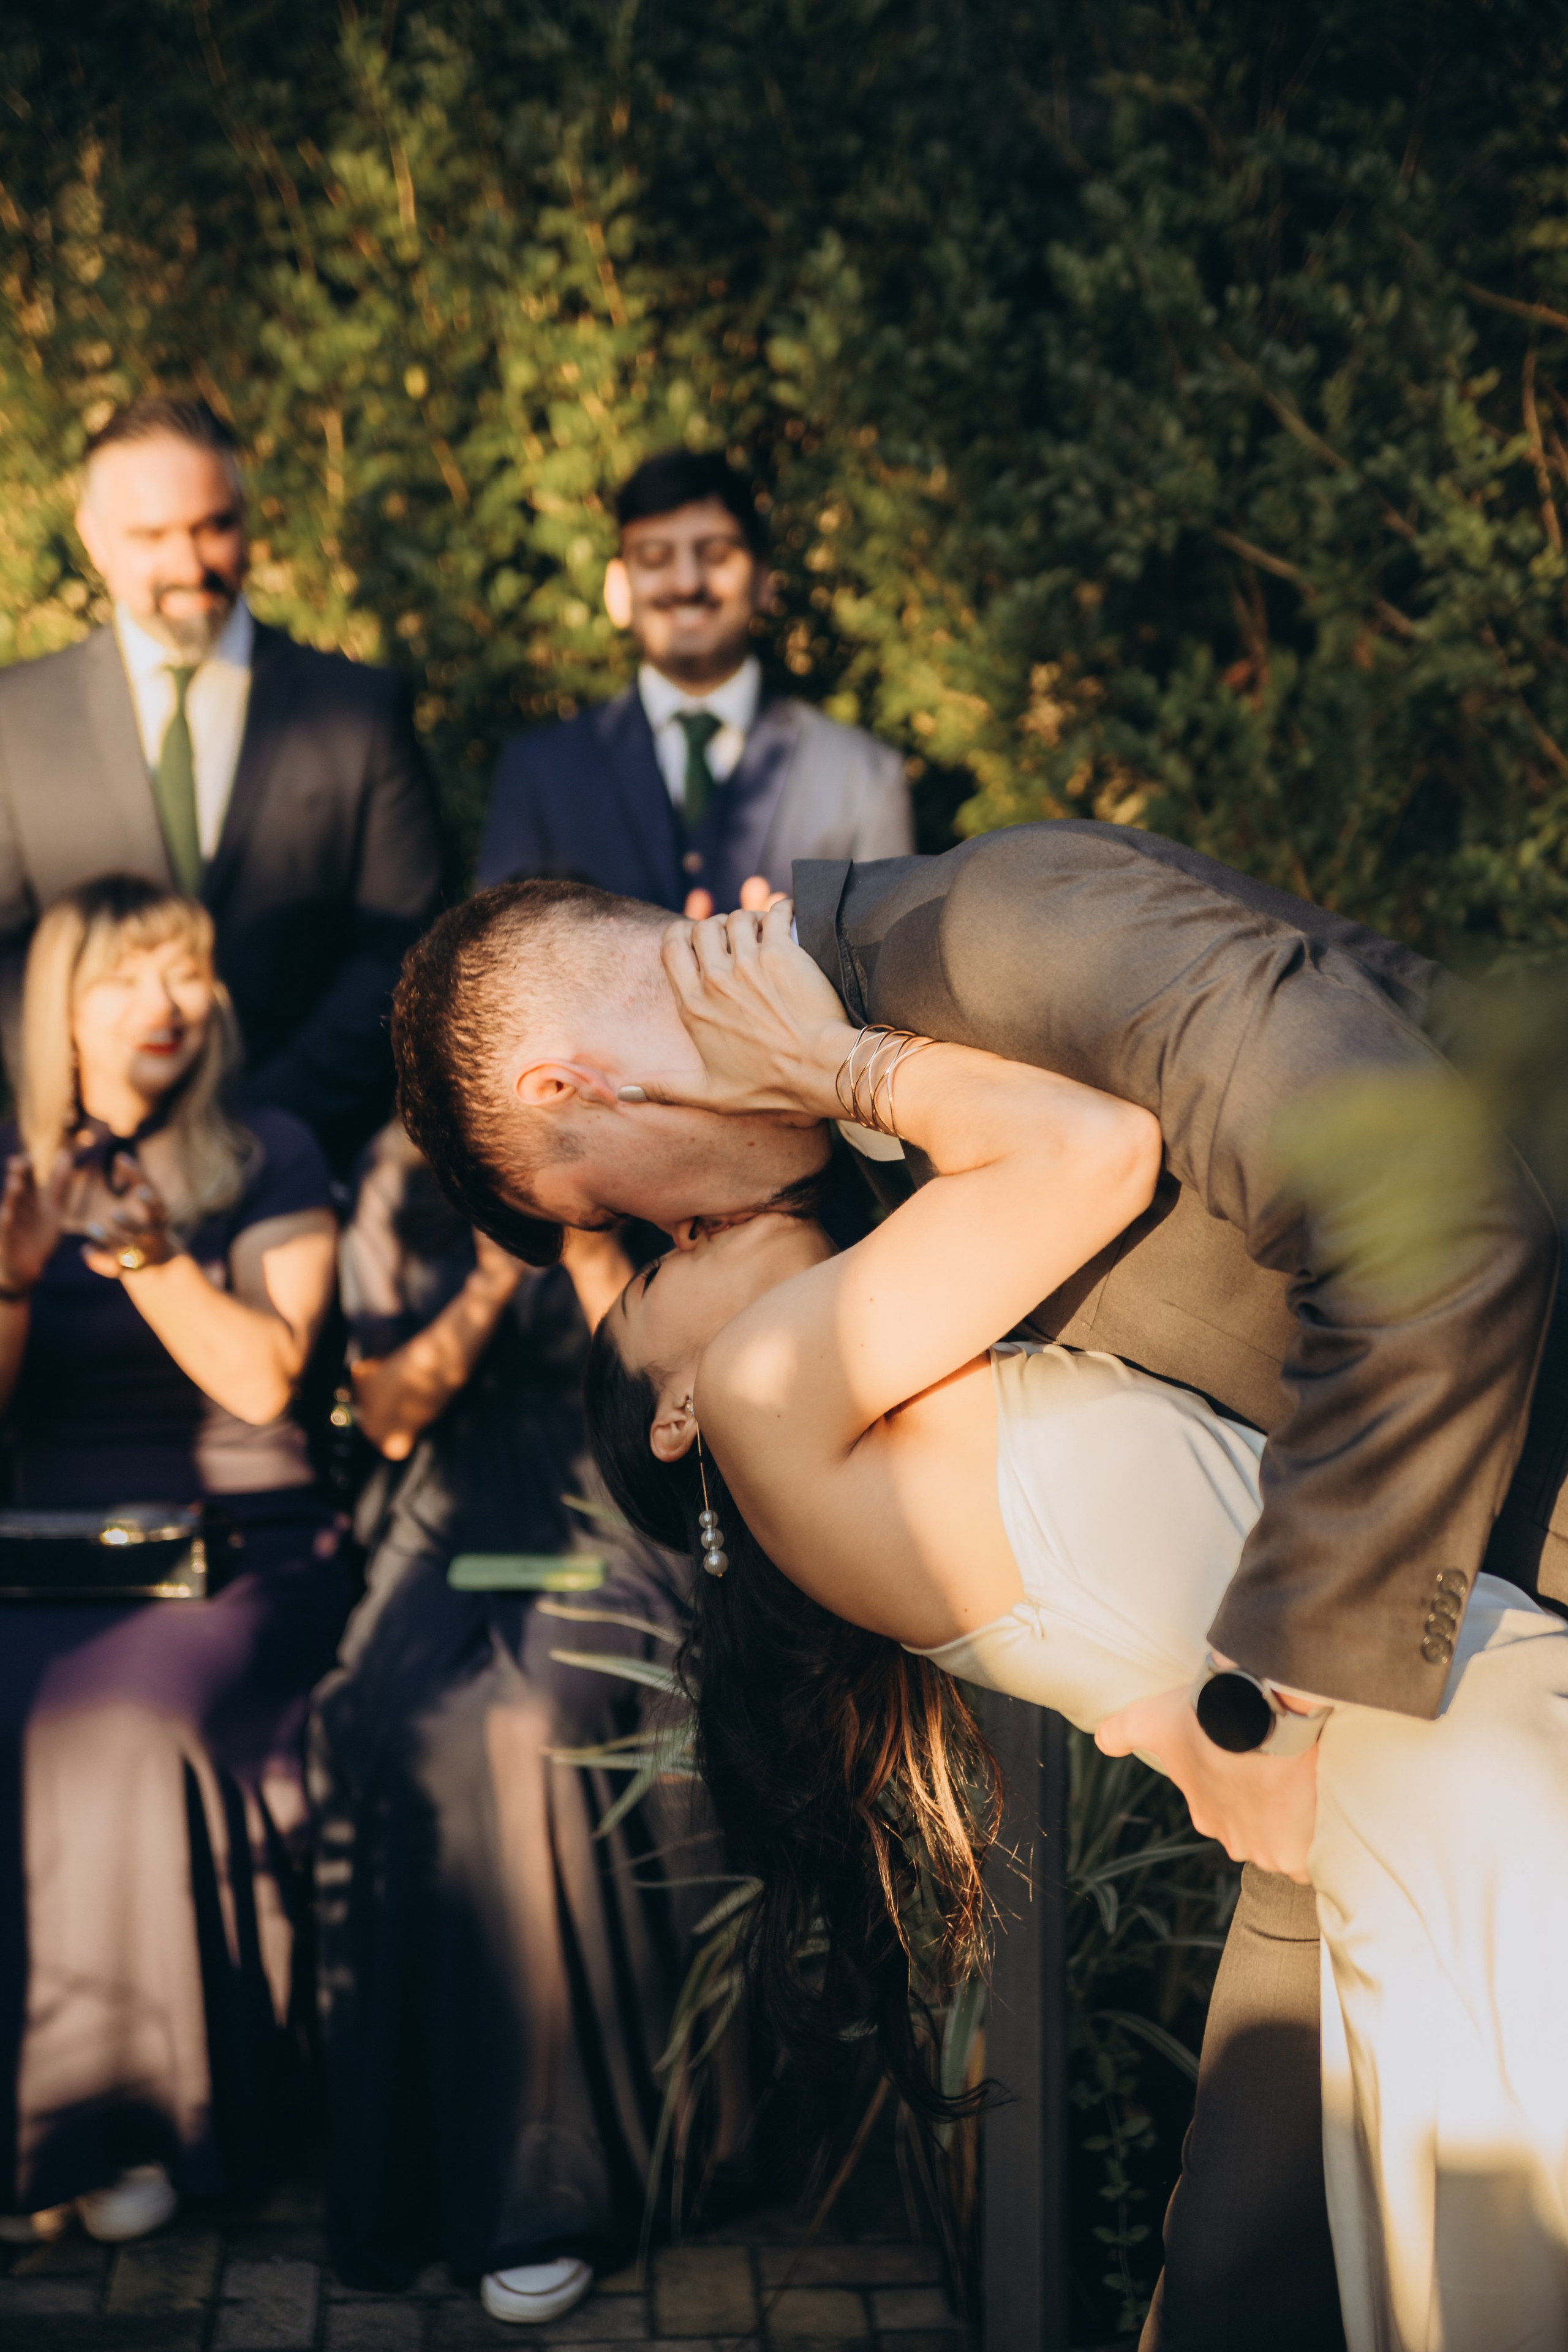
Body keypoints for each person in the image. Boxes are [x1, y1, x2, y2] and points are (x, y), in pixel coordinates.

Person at [387, 845, 1561, 2352]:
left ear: (572, 1087)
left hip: (1393, 1671)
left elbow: (1420, 1214)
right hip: (1380, 1709)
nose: (676, 1235)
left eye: (622, 1219)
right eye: (650, 1254)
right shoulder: (795, 1346)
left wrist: (1240, 1695)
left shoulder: (983, 932)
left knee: (1277, 2267)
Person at [310, 1129, 725, 2324]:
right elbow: (387, 1415)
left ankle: (543, 2182)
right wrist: (496, 1270)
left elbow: (666, 1399)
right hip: (448, 1504)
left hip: (610, 1499)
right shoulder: (399, 1181)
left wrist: (584, 1239)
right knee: (391, 1717)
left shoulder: (647, 1175)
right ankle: (417, 2166)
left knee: (531, 1721)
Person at [0, 874, 351, 2242]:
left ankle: (134, 2124)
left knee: (130, 1719)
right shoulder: (13, 1167)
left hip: (242, 1542)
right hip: (45, 1546)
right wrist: (19, 1280)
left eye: (186, 972)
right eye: (125, 977)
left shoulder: (270, 1153)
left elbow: (267, 1382)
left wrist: (146, 1257)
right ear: (60, 1012)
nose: (164, 1003)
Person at [0, 396, 445, 1170]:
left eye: (214, 526)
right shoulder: (13, 718)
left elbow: (401, 943)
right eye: (151, 536)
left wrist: (263, 1128)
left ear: (246, 518)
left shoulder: (361, 711)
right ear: (94, 540)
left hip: (307, 1160)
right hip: (82, 1168)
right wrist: (95, 1108)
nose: (189, 565)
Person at [477, 450, 913, 922]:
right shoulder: (539, 775)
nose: (687, 581)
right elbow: (497, 985)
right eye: (654, 557)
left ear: (765, 580)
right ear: (617, 588)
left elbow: (888, 984)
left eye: (716, 555)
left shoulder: (862, 776)